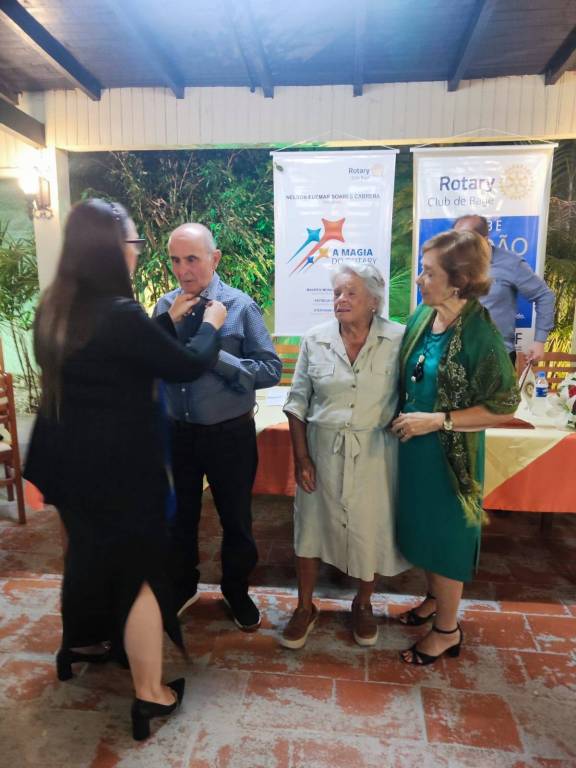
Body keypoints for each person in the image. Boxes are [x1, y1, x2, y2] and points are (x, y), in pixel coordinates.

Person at [24, 199, 227, 740]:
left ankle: (86, 642)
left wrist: (165, 319)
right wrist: (210, 324)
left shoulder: (57, 306)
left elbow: (111, 354)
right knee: (141, 574)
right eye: (133, 242)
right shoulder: (117, 312)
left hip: (66, 463)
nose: (137, 253)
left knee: (87, 556)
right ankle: (150, 694)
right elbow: (184, 365)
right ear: (111, 250)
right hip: (116, 470)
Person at [391, 229, 520, 666]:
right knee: (425, 531)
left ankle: (447, 631)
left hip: (449, 458)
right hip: (416, 451)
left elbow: (504, 406)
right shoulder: (424, 316)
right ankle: (434, 600)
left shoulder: (481, 335)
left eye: (429, 273)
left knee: (446, 539)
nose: (419, 280)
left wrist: (438, 420)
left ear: (459, 281)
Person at [153, 223, 281, 631]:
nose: (183, 270)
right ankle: (183, 586)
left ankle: (236, 591)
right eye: (175, 260)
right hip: (178, 433)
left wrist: (215, 357)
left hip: (229, 435)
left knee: (236, 520)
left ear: (215, 258)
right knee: (179, 518)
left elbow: (271, 369)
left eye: (192, 259)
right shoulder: (165, 306)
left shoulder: (239, 307)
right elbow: (150, 364)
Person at [279, 263, 409, 650]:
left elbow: (413, 394)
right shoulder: (315, 339)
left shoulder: (398, 338)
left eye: (351, 292)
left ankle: (363, 604)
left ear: (374, 301)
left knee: (369, 528)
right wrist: (302, 459)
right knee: (310, 528)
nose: (341, 299)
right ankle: (305, 606)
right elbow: (297, 403)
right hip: (322, 450)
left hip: (376, 452)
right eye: (337, 292)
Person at [453, 214, 555, 364]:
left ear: (484, 239)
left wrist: (539, 341)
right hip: (457, 356)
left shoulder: (510, 263)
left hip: (497, 358)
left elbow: (544, 296)